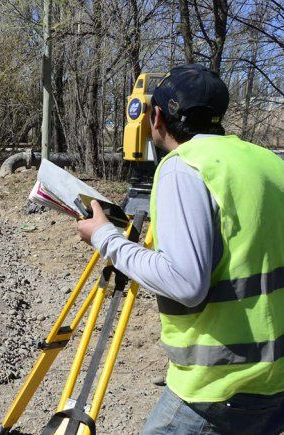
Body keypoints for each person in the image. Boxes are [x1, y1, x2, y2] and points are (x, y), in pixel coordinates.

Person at [77, 64, 284, 434]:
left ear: (155, 117)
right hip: (276, 380)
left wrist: (106, 238)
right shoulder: (269, 162)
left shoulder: (182, 168)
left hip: (219, 389)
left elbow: (185, 283)